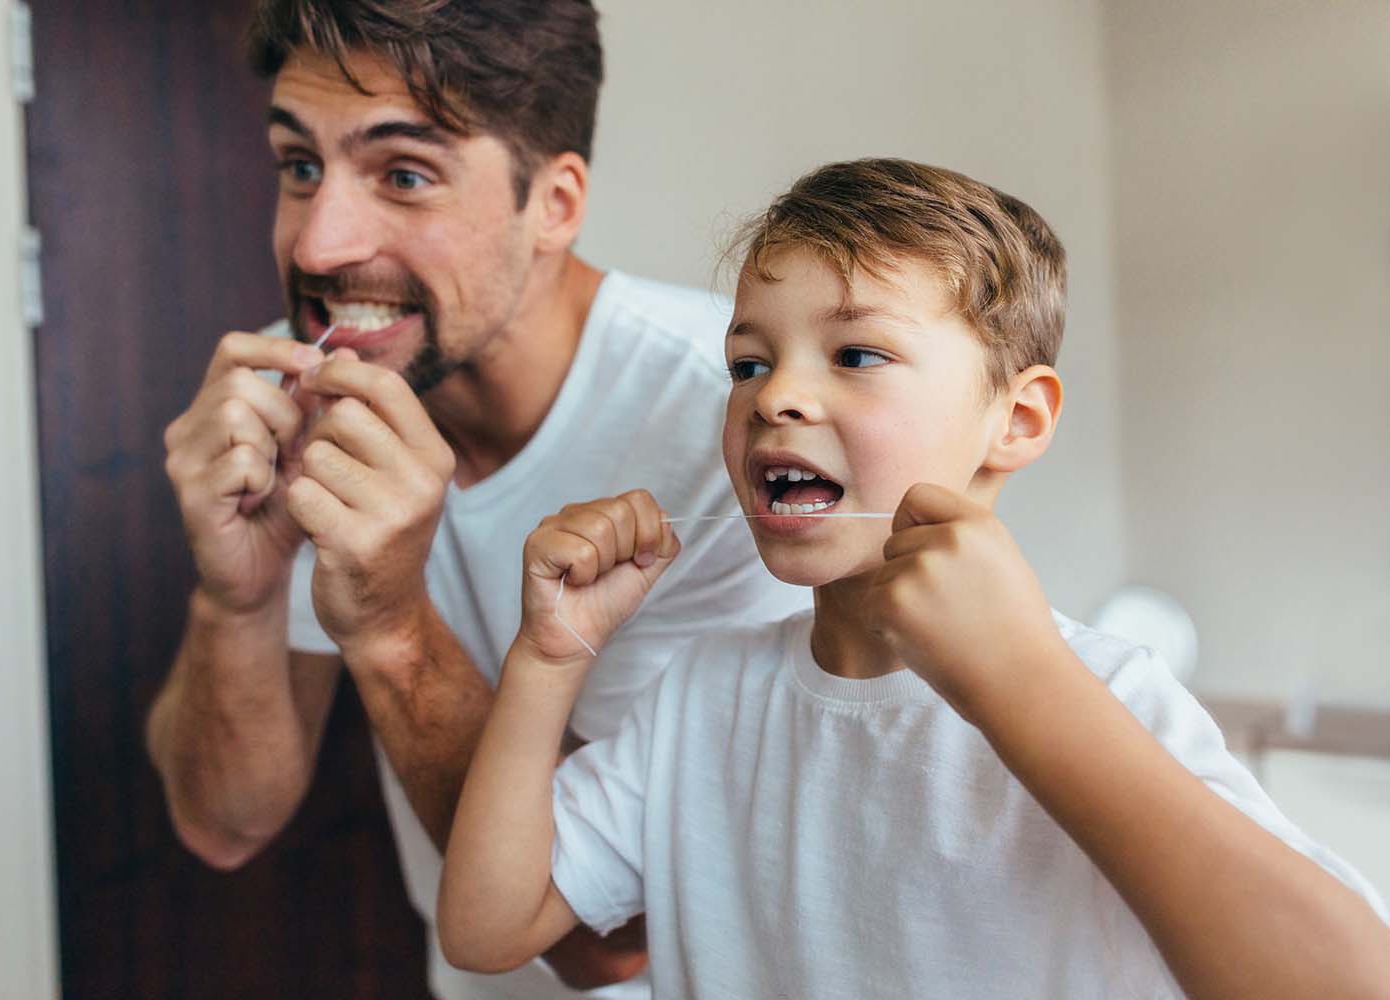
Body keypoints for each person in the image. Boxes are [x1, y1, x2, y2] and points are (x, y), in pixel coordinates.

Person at [437, 158, 1390, 998]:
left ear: (1016, 421)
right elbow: (488, 929)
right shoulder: (697, 698)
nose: (775, 395)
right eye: (746, 363)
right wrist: (549, 658)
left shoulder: (1103, 692)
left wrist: (1020, 683)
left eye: (857, 354)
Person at [145, 2, 808, 997]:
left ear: (555, 202)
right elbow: (223, 823)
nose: (319, 247)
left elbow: (611, 939)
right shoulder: (303, 405)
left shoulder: (740, 431)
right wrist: (234, 594)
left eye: (404, 173)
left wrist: (391, 626)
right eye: (299, 166)